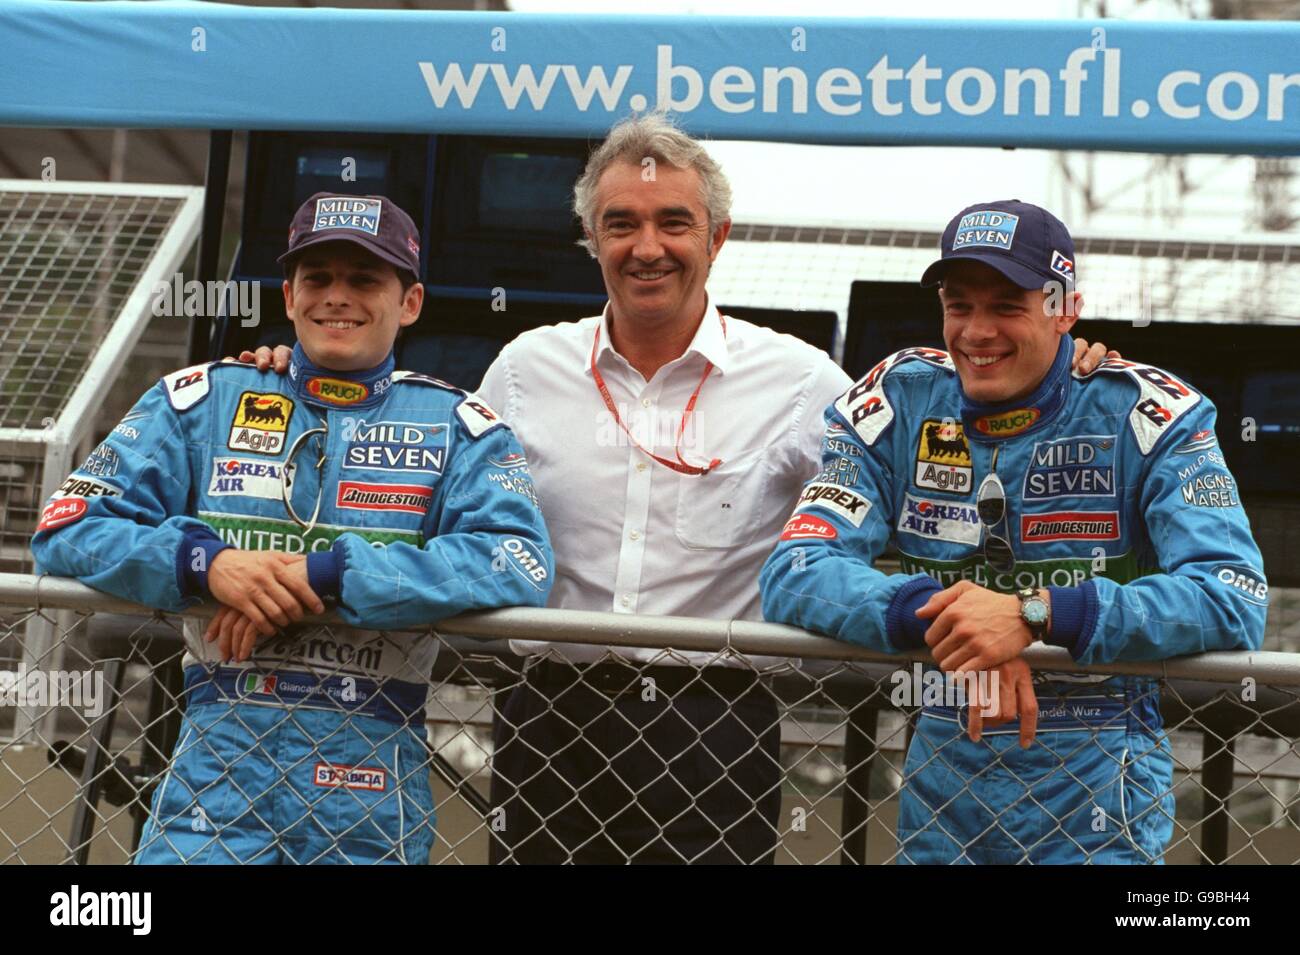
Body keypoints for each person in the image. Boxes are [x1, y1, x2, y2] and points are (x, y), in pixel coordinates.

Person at [248, 119, 1111, 864]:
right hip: (547, 715)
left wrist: (1066, 380)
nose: (646, 246)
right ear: (591, 237)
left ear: (718, 236)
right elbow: (408, 486)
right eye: (620, 223)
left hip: (714, 726)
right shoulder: (522, 367)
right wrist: (300, 379)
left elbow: (928, 454)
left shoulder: (801, 380)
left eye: (673, 222)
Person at [31, 192, 552, 864]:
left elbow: (519, 559)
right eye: (318, 277)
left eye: (364, 279)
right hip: (216, 766)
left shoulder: (459, 427)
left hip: (369, 773)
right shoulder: (204, 399)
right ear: (289, 295)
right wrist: (207, 565)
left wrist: (331, 576)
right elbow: (67, 526)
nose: (337, 296)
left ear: (410, 302)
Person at [760, 199, 1268, 864]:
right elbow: (795, 568)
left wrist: (1032, 615)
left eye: (1006, 306)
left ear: (1065, 309)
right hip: (944, 777)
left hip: (1098, 789)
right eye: (959, 305)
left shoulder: (1150, 413)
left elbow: (1231, 595)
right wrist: (956, 620)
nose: (977, 331)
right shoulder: (897, 400)